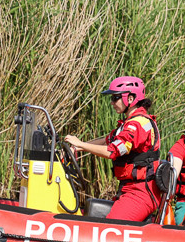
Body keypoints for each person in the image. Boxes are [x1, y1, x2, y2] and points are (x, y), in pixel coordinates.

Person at [64, 76, 162, 221]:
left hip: (141, 192)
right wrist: (78, 147)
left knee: (112, 227)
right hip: (128, 189)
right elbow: (106, 141)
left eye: (115, 97)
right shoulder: (129, 123)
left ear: (130, 98)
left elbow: (111, 151)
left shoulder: (137, 125)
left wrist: (81, 144)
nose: (112, 102)